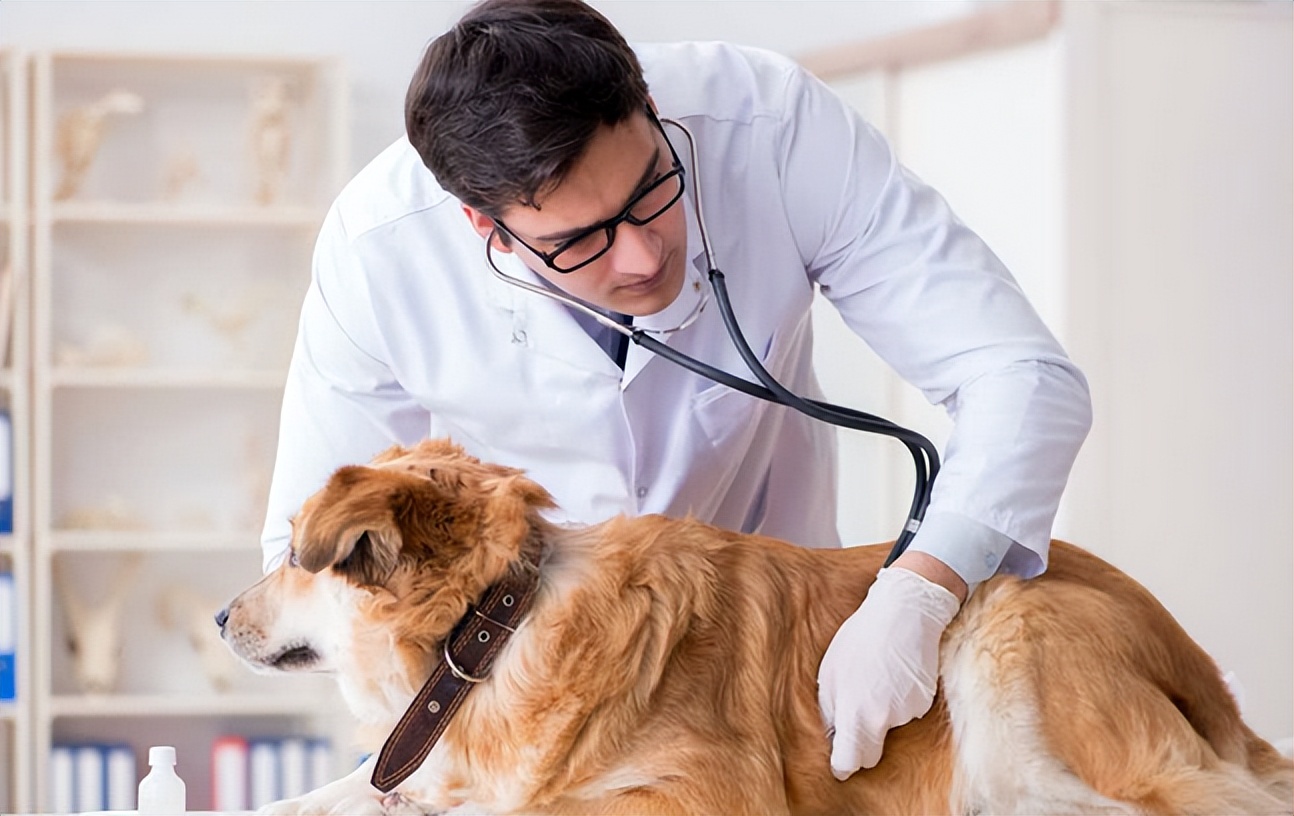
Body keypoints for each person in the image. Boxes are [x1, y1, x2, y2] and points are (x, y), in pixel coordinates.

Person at [260, 0, 1092, 781]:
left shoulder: (771, 124)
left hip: (774, 656)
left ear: (651, 108)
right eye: (578, 242)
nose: (641, 257)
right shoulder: (377, 249)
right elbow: (312, 553)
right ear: (487, 226)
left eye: (649, 191)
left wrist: (920, 588)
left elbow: (1017, 375)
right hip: (524, 687)